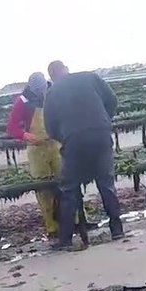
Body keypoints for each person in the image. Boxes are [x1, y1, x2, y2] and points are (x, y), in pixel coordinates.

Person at [43, 60, 123, 250]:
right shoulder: (90, 77)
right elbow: (112, 100)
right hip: (100, 134)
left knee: (69, 189)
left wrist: (64, 137)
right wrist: (104, 120)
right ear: (67, 70)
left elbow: (50, 126)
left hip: (73, 140)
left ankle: (66, 240)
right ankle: (117, 229)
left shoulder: (52, 92)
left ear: (51, 77)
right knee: (106, 184)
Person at [6, 72, 62, 239]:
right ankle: (52, 227)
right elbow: (12, 127)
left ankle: (76, 220)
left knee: (66, 182)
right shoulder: (22, 102)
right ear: (31, 88)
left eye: (43, 89)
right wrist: (26, 136)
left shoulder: (55, 93)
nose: (41, 93)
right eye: (38, 90)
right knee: (43, 188)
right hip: (36, 149)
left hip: (56, 144)